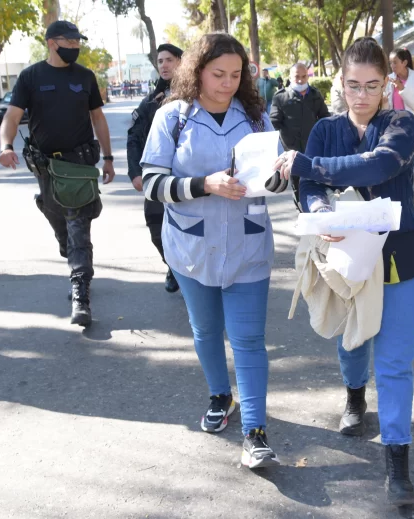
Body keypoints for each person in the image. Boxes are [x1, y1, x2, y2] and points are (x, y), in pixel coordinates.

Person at [274, 37, 414, 507]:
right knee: (352, 341)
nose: (361, 96)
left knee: (396, 362)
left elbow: (377, 165)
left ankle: (397, 458)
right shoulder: (324, 129)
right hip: (346, 255)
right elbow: (312, 189)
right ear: (340, 82)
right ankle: (355, 396)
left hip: (399, 256)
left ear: (387, 84)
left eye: (372, 86)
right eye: (353, 85)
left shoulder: (401, 123)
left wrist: (310, 166)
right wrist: (323, 214)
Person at [140, 33, 279, 470]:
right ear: (197, 71)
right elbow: (152, 183)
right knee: (205, 332)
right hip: (190, 248)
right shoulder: (171, 119)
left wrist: (278, 178)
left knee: (249, 340)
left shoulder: (256, 118)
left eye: (236, 75)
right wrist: (205, 185)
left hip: (248, 247)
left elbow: (278, 174)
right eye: (218, 74)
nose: (227, 83)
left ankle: (255, 433)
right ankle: (222, 395)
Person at [0, 20, 115, 327]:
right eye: (70, 42)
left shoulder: (85, 77)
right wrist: (6, 145)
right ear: (52, 42)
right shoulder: (30, 76)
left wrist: (108, 158)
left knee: (78, 224)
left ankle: (80, 293)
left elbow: (98, 118)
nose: (75, 47)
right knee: (56, 215)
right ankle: (65, 243)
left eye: (78, 43)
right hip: (45, 166)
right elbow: (12, 115)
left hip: (78, 165)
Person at [127, 43, 184, 293]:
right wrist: (135, 172)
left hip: (188, 177)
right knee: (155, 225)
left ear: (181, 62)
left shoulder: (197, 96)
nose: (164, 65)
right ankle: (173, 266)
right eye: (160, 61)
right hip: (158, 178)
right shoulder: (152, 101)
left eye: (169, 60)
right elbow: (134, 136)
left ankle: (190, 273)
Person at [270, 63, 330, 210]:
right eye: (297, 77)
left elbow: (325, 118)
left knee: (314, 181)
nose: (300, 80)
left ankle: (314, 208)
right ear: (290, 77)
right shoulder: (281, 97)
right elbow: (273, 122)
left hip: (314, 148)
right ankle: (301, 209)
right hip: (292, 150)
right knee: (297, 183)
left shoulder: (315, 95)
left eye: (304, 76)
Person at [386, 47, 414, 212]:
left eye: (395, 62)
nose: (392, 66)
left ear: (404, 62)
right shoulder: (389, 79)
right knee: (395, 166)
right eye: (390, 63)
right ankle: (400, 199)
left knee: (412, 167)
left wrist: (401, 90)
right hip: (393, 130)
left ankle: (409, 195)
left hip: (413, 130)